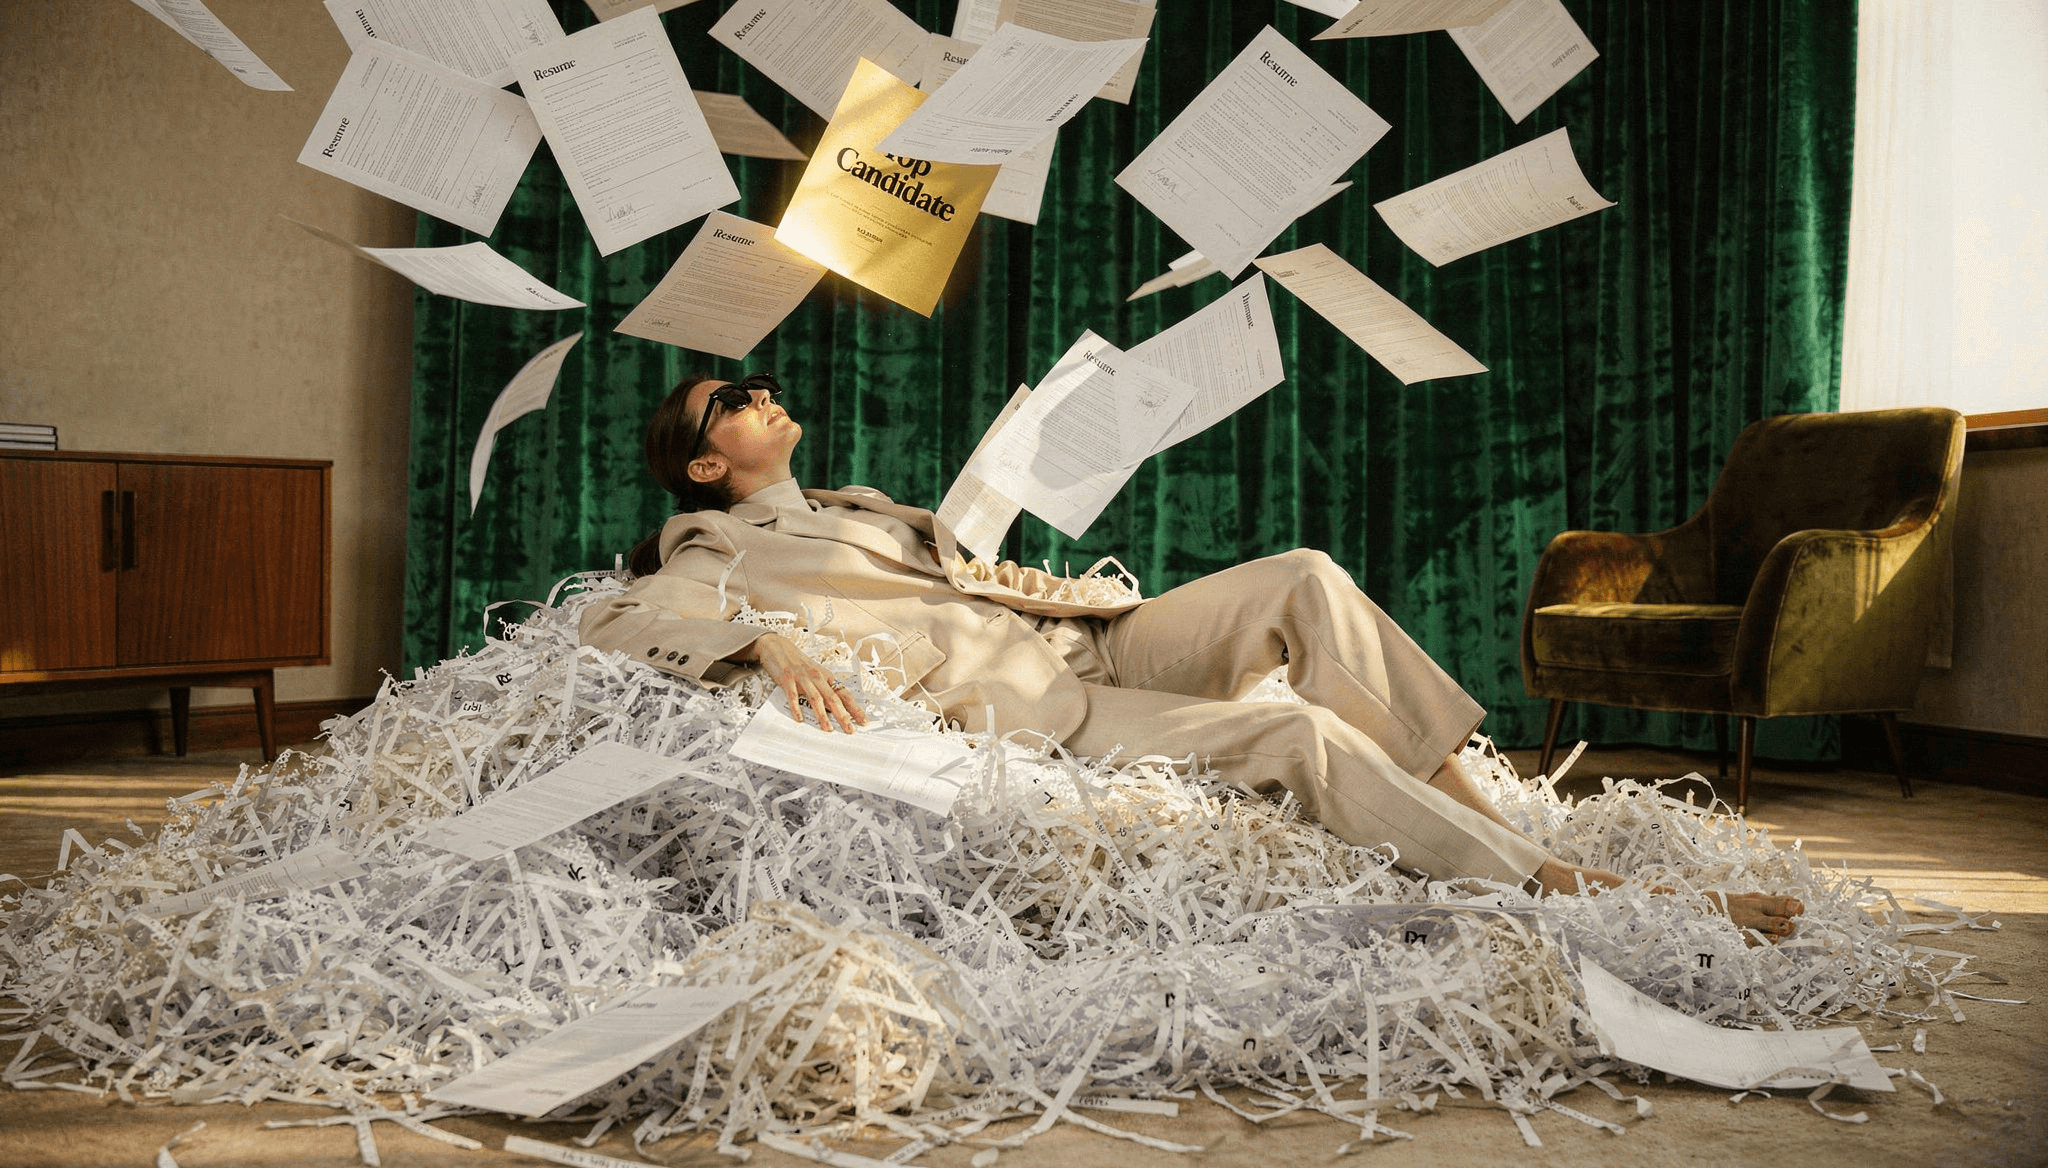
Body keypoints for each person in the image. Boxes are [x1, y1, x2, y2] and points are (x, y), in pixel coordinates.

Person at [581, 373, 1803, 939]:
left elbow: (947, 583)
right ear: (702, 461)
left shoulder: (863, 501)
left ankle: (1477, 805)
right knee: (1294, 732)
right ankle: (1553, 887)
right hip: (1043, 714)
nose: (760, 391)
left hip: (1089, 640)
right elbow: (612, 619)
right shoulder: (714, 540)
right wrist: (763, 632)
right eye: (731, 397)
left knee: (1305, 577)